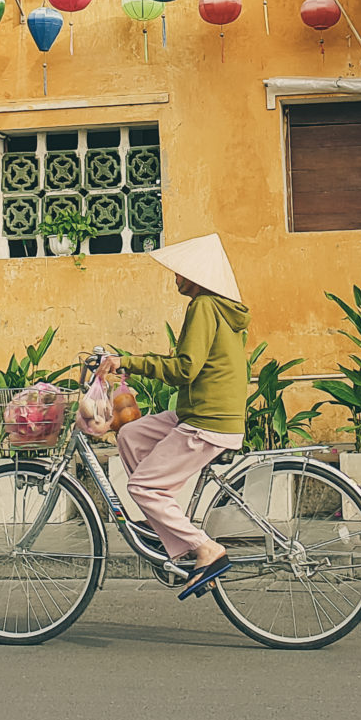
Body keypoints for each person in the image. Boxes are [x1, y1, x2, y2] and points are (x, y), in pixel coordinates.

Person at [99, 233, 250, 600]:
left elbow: (185, 369)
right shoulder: (218, 308)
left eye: (180, 272)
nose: (175, 278)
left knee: (142, 487)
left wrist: (128, 360)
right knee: (130, 436)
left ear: (196, 276)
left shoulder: (204, 307)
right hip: (196, 413)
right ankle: (164, 528)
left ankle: (204, 548)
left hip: (208, 422)